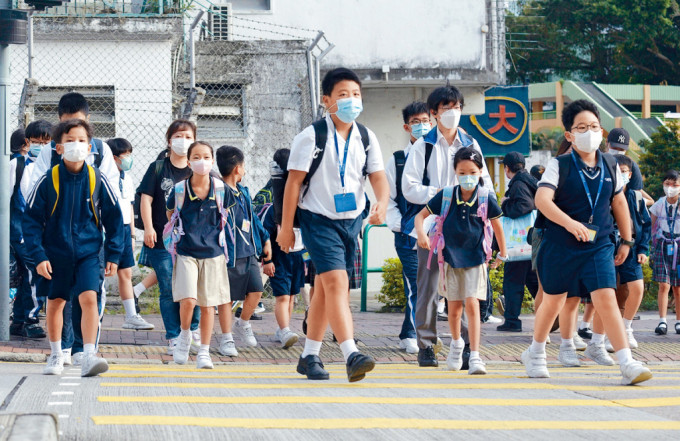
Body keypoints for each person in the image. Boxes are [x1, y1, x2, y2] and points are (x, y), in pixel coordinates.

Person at [522, 99, 652, 385]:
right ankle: (536, 352)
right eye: (581, 127)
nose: (588, 132)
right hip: (561, 243)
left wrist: (627, 241)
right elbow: (542, 200)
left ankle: (627, 362)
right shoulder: (559, 164)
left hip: (599, 244)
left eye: (593, 126)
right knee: (554, 300)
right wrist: (570, 223)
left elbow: (619, 202)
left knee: (605, 296)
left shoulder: (611, 164)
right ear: (569, 134)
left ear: (602, 131)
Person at [278, 67, 388, 382]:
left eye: (356, 94)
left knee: (327, 290)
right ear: (327, 100)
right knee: (337, 283)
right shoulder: (311, 136)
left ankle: (309, 356)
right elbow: (293, 184)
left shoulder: (366, 137)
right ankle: (350, 353)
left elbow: (378, 177)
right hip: (318, 220)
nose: (351, 100)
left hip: (351, 220)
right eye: (343, 95)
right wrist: (287, 227)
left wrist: (380, 201)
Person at [24, 93, 121, 367]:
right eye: (69, 141)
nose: (75, 146)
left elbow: (114, 217)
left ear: (90, 146)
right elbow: (31, 220)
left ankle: (88, 353)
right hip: (55, 252)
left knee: (89, 297)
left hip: (90, 251)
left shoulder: (97, 178)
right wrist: (39, 255)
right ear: (58, 147)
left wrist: (113, 253)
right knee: (55, 302)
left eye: (81, 141)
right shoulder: (48, 179)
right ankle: (56, 353)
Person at [401, 85, 494, 367]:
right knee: (428, 289)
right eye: (446, 108)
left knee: (466, 291)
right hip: (432, 228)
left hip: (466, 229)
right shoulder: (423, 145)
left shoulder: (471, 144)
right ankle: (426, 346)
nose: (452, 113)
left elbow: (485, 184)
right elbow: (409, 188)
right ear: (434, 113)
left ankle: (465, 346)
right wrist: (443, 194)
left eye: (457, 108)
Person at [415, 147, 507, 375]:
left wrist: (502, 254)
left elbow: (497, 226)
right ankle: (456, 344)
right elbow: (421, 216)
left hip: (476, 259)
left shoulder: (485, 197)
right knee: (453, 309)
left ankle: (475, 355)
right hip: (449, 259)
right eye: (462, 172)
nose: (468, 177)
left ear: (480, 172)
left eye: (472, 172)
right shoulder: (446, 195)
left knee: (473, 304)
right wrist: (421, 233)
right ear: (455, 172)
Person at [166, 141, 231, 368]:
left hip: (213, 253)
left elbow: (226, 216)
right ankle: (184, 336)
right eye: (196, 157)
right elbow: (170, 213)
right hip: (186, 252)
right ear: (189, 161)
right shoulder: (180, 189)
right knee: (188, 300)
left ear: (212, 160)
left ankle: (204, 351)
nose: (201, 161)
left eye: (205, 157)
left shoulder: (221, 189)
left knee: (208, 305)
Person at [138, 119, 200, 355]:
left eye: (187, 136)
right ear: (169, 140)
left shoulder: (198, 168)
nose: (182, 141)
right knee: (167, 287)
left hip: (193, 241)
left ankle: (192, 330)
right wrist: (148, 228)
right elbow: (146, 198)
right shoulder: (157, 168)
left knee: (193, 288)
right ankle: (174, 336)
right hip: (162, 239)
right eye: (178, 136)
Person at [385, 101, 431, 354]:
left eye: (425, 121)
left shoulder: (440, 155)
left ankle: (410, 332)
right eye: (416, 122)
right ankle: (413, 334)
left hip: (437, 233)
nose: (421, 126)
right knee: (416, 283)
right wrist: (399, 226)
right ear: (407, 127)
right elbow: (389, 198)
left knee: (431, 286)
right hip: (408, 235)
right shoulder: (398, 161)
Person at [216, 146, 272, 349]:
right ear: (237, 169)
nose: (245, 170)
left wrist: (265, 240)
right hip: (229, 254)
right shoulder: (220, 193)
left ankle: (244, 323)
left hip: (249, 253)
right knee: (226, 298)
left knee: (256, 291)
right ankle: (226, 338)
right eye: (244, 166)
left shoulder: (244, 192)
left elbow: (253, 220)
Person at [107, 138, 154, 331]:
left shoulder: (127, 177)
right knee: (102, 273)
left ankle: (131, 316)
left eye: (129, 154)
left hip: (126, 229)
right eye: (124, 155)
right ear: (113, 157)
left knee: (125, 272)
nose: (128, 158)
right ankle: (95, 315)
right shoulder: (104, 175)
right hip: (108, 230)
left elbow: (130, 206)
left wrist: (133, 234)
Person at [10, 122, 51, 339]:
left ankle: (18, 321)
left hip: (41, 233)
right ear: (27, 142)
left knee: (28, 275)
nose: (42, 146)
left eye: (46, 142)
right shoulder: (17, 165)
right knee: (35, 271)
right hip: (20, 233)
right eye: (37, 142)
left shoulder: (52, 167)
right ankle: (32, 318)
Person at [262, 149, 305, 349]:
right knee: (282, 296)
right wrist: (267, 260)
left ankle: (283, 329)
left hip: (296, 256)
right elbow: (265, 235)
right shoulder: (273, 209)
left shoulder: (303, 203)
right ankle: (285, 329)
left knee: (291, 297)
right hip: (279, 257)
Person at [608, 154, 651, 347]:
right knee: (606, 291)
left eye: (624, 172)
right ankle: (607, 334)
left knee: (637, 288)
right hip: (607, 247)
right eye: (617, 171)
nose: (620, 175)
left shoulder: (637, 197)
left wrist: (643, 249)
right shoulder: (603, 194)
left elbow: (646, 224)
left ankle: (626, 327)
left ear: (630, 174)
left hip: (631, 248)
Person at [497, 151, 539, 332]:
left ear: (507, 168)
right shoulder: (530, 180)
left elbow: (524, 205)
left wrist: (505, 204)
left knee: (513, 283)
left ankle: (512, 321)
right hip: (530, 242)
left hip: (518, 243)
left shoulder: (519, 184)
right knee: (533, 281)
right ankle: (554, 316)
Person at [649, 169, 680, 335]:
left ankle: (678, 322)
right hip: (663, 245)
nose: (671, 188)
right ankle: (662, 322)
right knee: (663, 285)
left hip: (679, 246)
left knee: (678, 288)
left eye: (675, 185)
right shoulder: (659, 204)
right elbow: (650, 226)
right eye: (667, 184)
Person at [606, 128, 653, 207]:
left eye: (621, 149)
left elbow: (636, 193)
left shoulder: (632, 165)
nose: (618, 151)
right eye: (614, 148)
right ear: (607, 142)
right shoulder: (599, 161)